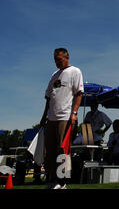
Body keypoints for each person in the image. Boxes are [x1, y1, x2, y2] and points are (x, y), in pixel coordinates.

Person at [39, 48, 84, 189]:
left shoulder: (75, 71)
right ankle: (52, 179)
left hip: (65, 116)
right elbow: (49, 98)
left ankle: (62, 181)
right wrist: (43, 116)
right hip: (51, 117)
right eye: (55, 60)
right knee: (50, 151)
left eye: (59, 59)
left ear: (67, 57)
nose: (57, 62)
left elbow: (79, 93)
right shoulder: (54, 75)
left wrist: (74, 113)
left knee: (62, 150)